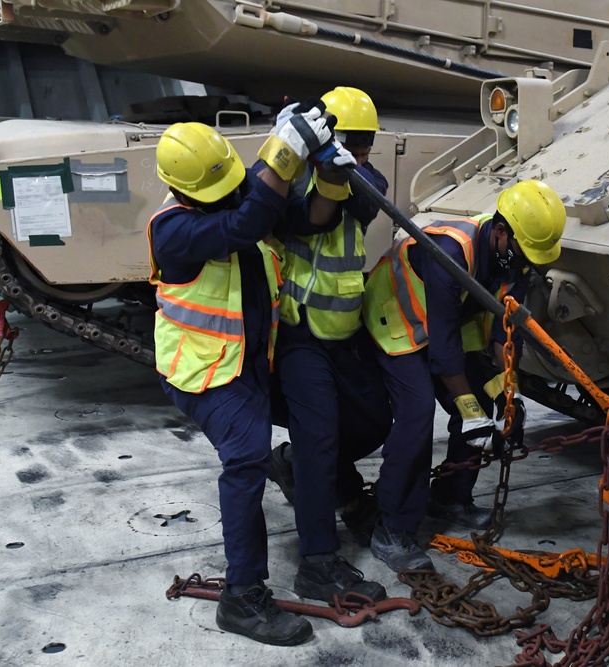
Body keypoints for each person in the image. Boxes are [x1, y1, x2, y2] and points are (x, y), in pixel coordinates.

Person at [147, 103, 359, 645]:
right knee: (245, 461)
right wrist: (283, 149)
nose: (232, 194)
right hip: (205, 374)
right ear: (185, 189)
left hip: (247, 363)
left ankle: (316, 558)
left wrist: (331, 181)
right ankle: (241, 599)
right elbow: (244, 225)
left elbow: (308, 219)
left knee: (322, 427)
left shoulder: (233, 191)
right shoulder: (173, 230)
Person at [361, 179, 567, 572]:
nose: (528, 265)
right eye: (526, 254)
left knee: (486, 402)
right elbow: (443, 347)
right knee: (418, 414)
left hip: (451, 321)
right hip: (397, 319)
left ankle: (450, 497)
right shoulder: (451, 251)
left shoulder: (514, 258)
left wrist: (511, 395)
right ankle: (392, 528)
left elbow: (504, 332)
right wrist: (470, 410)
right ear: (502, 232)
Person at [265, 87, 392, 603]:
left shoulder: (365, 177)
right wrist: (303, 153)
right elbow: (298, 213)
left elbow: (364, 196)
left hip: (343, 333)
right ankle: (317, 562)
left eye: (366, 144)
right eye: (352, 142)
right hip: (299, 335)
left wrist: (338, 163)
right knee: (320, 441)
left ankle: (296, 465)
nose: (362, 152)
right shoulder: (291, 186)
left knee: (372, 420)